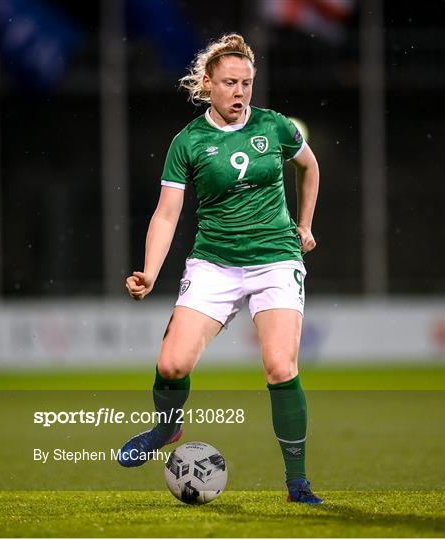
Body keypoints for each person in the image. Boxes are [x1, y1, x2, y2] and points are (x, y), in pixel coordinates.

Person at [118, 33, 322, 505]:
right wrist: (149, 271)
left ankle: (297, 483)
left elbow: (309, 167)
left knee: (279, 366)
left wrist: (305, 225)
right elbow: (167, 213)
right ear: (207, 84)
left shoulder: (275, 128)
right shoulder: (188, 141)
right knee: (171, 364)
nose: (240, 92)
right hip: (215, 262)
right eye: (230, 83)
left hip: (275, 259)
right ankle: (168, 428)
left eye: (247, 83)